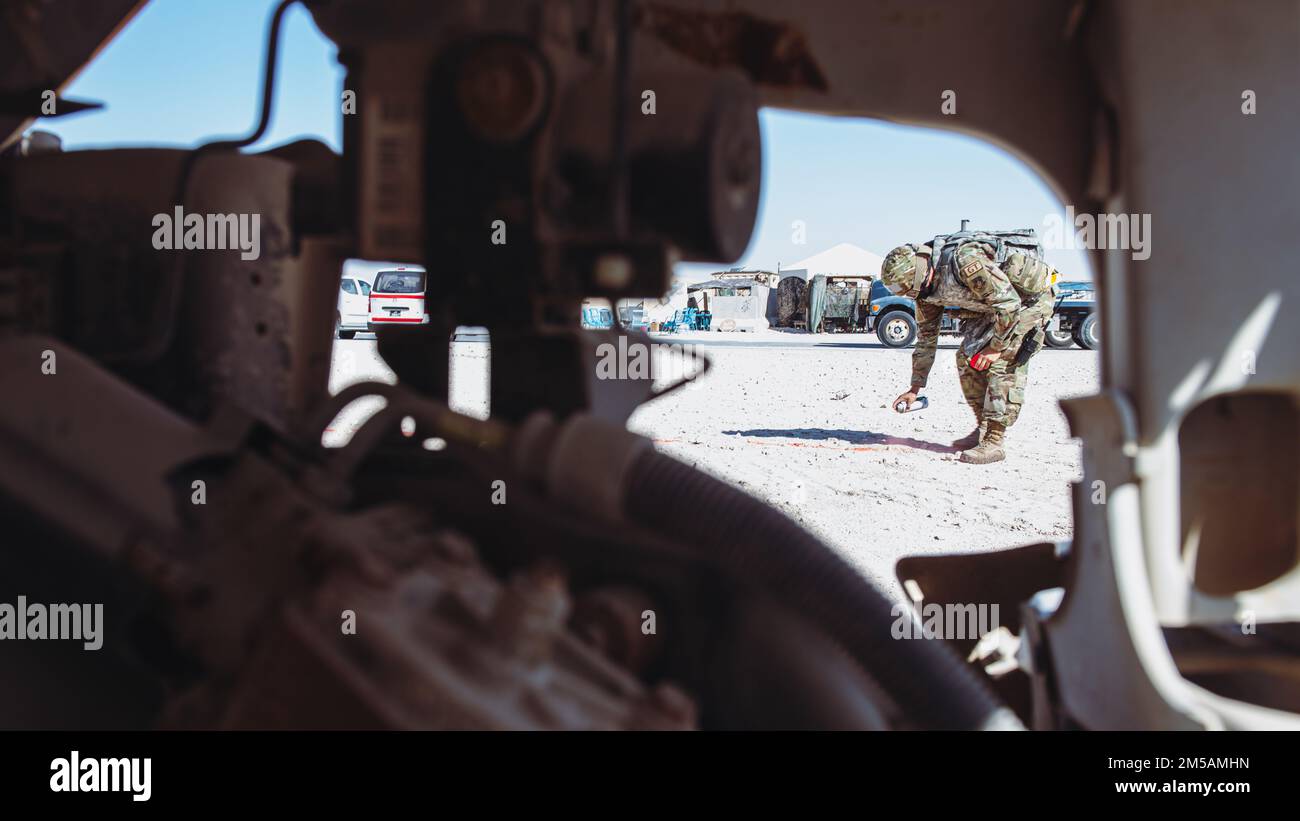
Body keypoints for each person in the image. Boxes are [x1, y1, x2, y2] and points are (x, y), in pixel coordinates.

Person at [880, 239, 1060, 464]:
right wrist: (915, 388)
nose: (910, 296)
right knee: (968, 359)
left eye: (910, 289)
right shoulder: (924, 292)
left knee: (1002, 363)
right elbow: (926, 339)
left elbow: (1009, 304)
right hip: (995, 306)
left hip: (1028, 302)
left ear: (919, 273)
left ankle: (994, 440)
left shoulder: (965, 261)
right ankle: (982, 429)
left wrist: (995, 348)